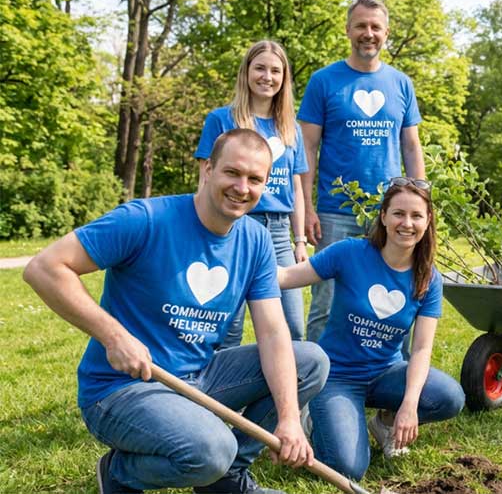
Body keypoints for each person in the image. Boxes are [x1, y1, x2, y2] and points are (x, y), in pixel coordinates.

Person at [23, 129, 330, 494]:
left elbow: (273, 333)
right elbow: (44, 268)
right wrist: (114, 335)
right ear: (207, 169)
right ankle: (120, 473)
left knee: (309, 360)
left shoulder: (255, 239)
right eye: (232, 172)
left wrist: (289, 418)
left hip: (199, 377)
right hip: (122, 389)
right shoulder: (146, 219)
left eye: (255, 179)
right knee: (211, 449)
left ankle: (226, 482)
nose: (242, 187)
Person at [279, 177, 464, 480]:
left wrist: (408, 405)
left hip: (386, 374)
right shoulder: (350, 253)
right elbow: (286, 277)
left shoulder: (428, 277)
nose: (407, 223)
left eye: (416, 215)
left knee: (449, 396)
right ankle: (318, 416)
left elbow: (420, 349)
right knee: (348, 468)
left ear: (427, 220)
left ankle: (385, 422)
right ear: (383, 216)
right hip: (336, 376)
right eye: (398, 214)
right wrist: (245, 261)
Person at [298, 0, 426, 343]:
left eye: (375, 27)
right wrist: (307, 207)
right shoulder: (323, 81)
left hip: (391, 212)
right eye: (361, 26)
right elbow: (306, 147)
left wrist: (422, 203)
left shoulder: (401, 84)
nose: (367, 33)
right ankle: (315, 379)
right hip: (333, 211)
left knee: (395, 295)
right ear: (348, 30)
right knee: (326, 300)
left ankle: (391, 373)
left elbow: (411, 146)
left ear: (386, 34)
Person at [195, 40, 309, 348]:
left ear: (284, 78)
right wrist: (205, 232)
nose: (267, 77)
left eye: (275, 70)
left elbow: (295, 187)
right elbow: (205, 178)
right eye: (260, 68)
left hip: (279, 233)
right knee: (228, 327)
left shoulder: (290, 127)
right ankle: (221, 393)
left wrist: (299, 241)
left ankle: (290, 394)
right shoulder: (222, 119)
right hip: (236, 227)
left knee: (293, 326)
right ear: (246, 72)